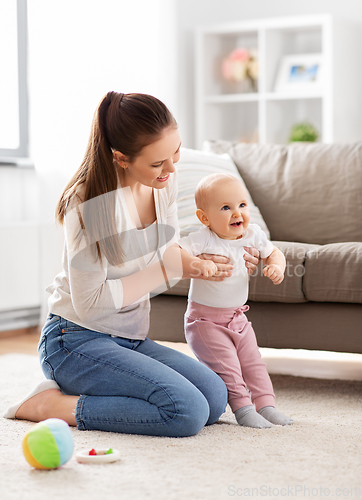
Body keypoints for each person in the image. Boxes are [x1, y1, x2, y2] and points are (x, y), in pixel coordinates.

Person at [3, 92, 261, 437]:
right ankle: (51, 405)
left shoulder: (162, 186)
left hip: (131, 336)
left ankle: (104, 386)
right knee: (186, 411)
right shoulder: (87, 204)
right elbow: (90, 304)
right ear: (121, 158)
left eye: (176, 153)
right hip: (75, 339)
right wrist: (175, 268)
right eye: (157, 163)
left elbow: (169, 254)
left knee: (214, 398)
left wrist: (199, 264)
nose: (171, 169)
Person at [168, 173, 293, 429]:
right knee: (229, 367)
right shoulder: (203, 237)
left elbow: (274, 253)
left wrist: (277, 267)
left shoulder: (253, 235)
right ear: (205, 218)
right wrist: (199, 263)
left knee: (253, 363)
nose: (237, 213)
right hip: (205, 322)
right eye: (226, 207)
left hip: (238, 318)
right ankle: (244, 410)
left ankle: (266, 406)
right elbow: (174, 253)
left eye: (242, 205)